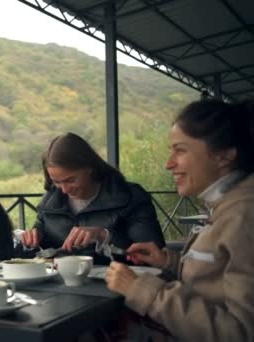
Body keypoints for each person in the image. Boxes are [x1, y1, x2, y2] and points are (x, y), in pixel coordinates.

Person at [106, 99, 254, 340]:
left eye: (180, 150)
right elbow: (216, 276)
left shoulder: (245, 215)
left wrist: (142, 291)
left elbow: (242, 333)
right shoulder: (226, 204)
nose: (168, 163)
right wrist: (168, 261)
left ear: (223, 156)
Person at [21, 132, 165, 264]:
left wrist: (104, 237)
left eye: (71, 180)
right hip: (59, 287)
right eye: (57, 182)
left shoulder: (132, 197)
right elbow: (39, 255)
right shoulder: (50, 201)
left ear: (89, 168)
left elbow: (152, 256)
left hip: (117, 285)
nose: (64, 190)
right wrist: (32, 241)